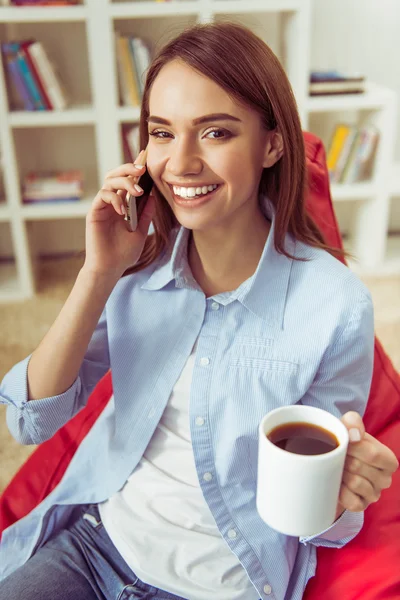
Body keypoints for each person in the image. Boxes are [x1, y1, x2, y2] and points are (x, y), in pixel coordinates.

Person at [0, 21, 398, 600]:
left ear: (272, 143)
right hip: (93, 547)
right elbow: (28, 422)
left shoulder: (335, 307)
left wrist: (342, 495)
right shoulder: (137, 267)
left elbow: (319, 522)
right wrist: (97, 273)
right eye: (162, 133)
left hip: (221, 582)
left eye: (214, 132)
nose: (180, 163)